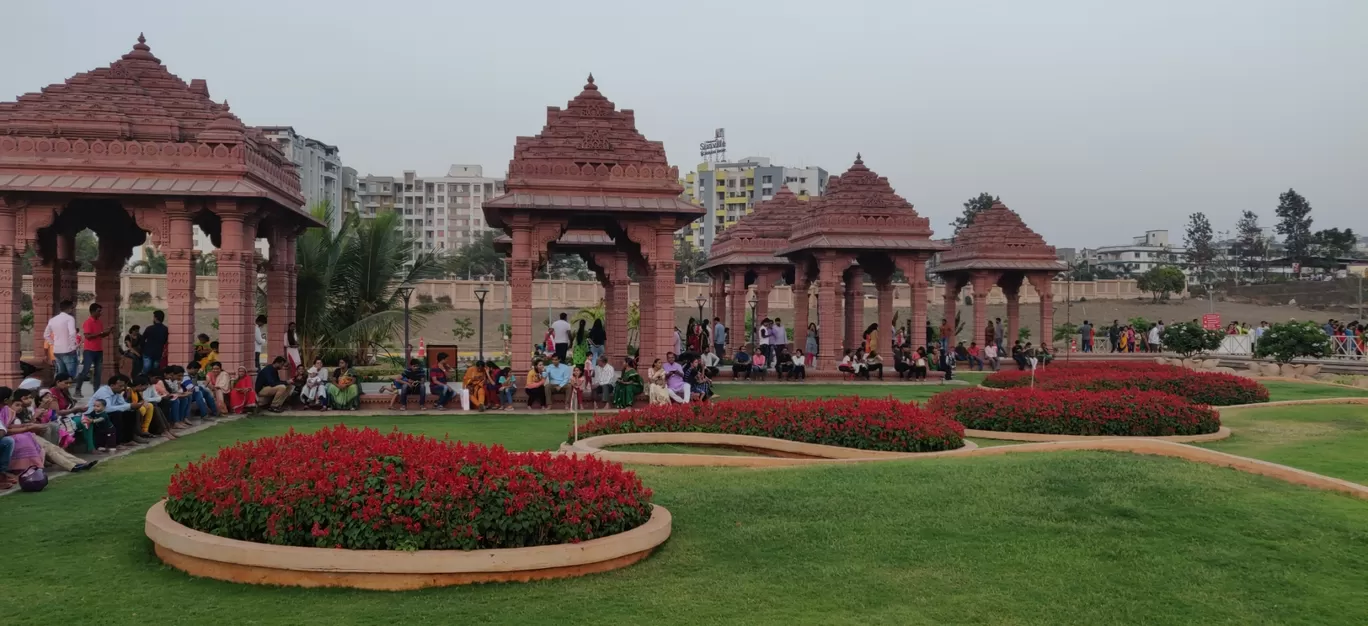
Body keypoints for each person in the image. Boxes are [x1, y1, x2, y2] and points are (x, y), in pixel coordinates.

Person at [75, 302, 112, 397]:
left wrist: (107, 332)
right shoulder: (88, 322)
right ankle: (77, 390)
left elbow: (101, 334)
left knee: (98, 372)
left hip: (99, 350)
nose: (101, 313)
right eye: (99, 311)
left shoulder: (99, 322)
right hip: (89, 350)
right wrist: (101, 333)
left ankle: (96, 391)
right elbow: (88, 336)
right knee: (86, 371)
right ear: (93, 311)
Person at [44, 299, 80, 378]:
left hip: (57, 350)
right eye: (72, 308)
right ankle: (67, 389)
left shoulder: (53, 320)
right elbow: (72, 333)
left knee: (61, 375)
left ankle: (61, 390)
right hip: (68, 350)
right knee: (71, 375)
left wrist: (53, 343)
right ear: (69, 308)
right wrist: (73, 346)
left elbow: (46, 335)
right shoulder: (69, 318)